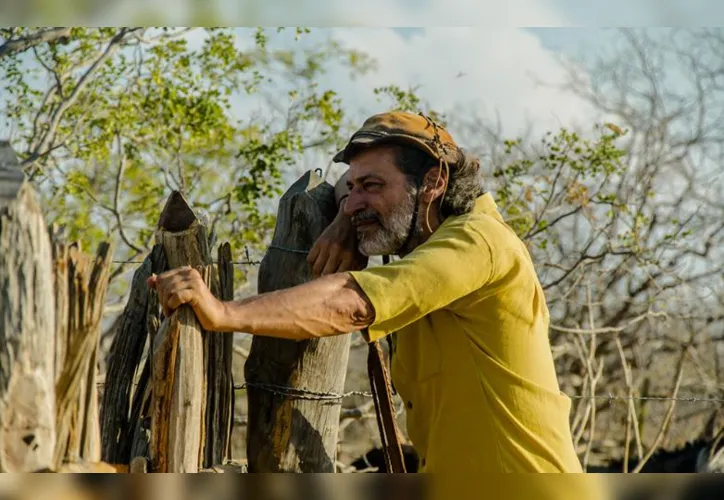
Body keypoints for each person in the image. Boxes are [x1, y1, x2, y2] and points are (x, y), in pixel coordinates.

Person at [148, 111, 604, 496]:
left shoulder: (476, 243)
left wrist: (226, 313)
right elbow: (348, 192)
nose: (353, 202)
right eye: (354, 187)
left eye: (373, 186)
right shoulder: (427, 238)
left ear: (433, 182)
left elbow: (350, 304)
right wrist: (346, 223)